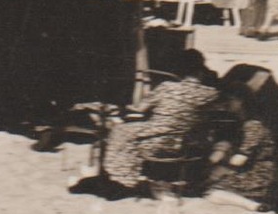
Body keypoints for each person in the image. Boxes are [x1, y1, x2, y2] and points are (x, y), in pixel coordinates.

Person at [79, 49, 223, 195]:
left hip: (152, 145)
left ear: (178, 71)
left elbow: (140, 109)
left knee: (118, 131)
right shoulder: (209, 94)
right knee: (126, 133)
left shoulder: (166, 87)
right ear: (201, 71)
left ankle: (115, 178)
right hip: (180, 145)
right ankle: (117, 177)